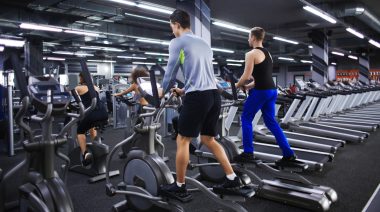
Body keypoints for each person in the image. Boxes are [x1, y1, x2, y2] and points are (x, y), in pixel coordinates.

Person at [160, 9, 244, 201]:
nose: (172, 30)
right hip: (213, 95)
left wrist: (161, 92)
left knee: (182, 140)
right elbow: (201, 74)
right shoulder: (204, 44)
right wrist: (184, 90)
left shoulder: (177, 42)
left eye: (171, 26)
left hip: (198, 97)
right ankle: (231, 178)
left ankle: (179, 186)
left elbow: (170, 73)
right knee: (208, 139)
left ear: (177, 24)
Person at [233, 27, 303, 166]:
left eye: (248, 37)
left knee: (246, 118)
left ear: (253, 37)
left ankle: (248, 153)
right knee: (271, 122)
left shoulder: (251, 53)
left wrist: (235, 86)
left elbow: (246, 76)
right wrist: (248, 86)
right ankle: (288, 154)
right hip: (271, 91)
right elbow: (262, 77)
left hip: (261, 91)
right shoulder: (268, 54)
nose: (248, 39)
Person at [75, 72, 108, 166]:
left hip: (91, 113)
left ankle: (85, 153)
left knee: (80, 131)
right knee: (92, 126)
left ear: (82, 78)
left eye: (79, 77)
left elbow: (69, 95)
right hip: (103, 113)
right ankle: (95, 147)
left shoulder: (78, 88)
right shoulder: (96, 87)